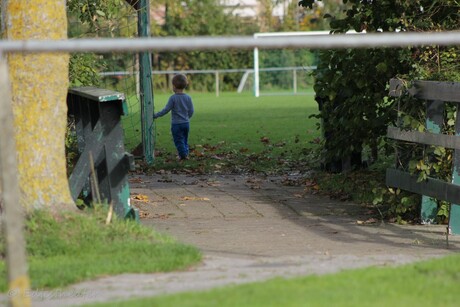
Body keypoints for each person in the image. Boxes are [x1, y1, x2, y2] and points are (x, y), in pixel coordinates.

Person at [154, 74, 194, 160]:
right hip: (186, 123)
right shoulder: (188, 98)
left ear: (174, 87)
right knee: (184, 139)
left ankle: (183, 155)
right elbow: (191, 111)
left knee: (178, 140)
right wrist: (187, 118)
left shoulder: (173, 98)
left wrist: (156, 115)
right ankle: (185, 153)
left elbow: (166, 110)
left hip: (176, 124)